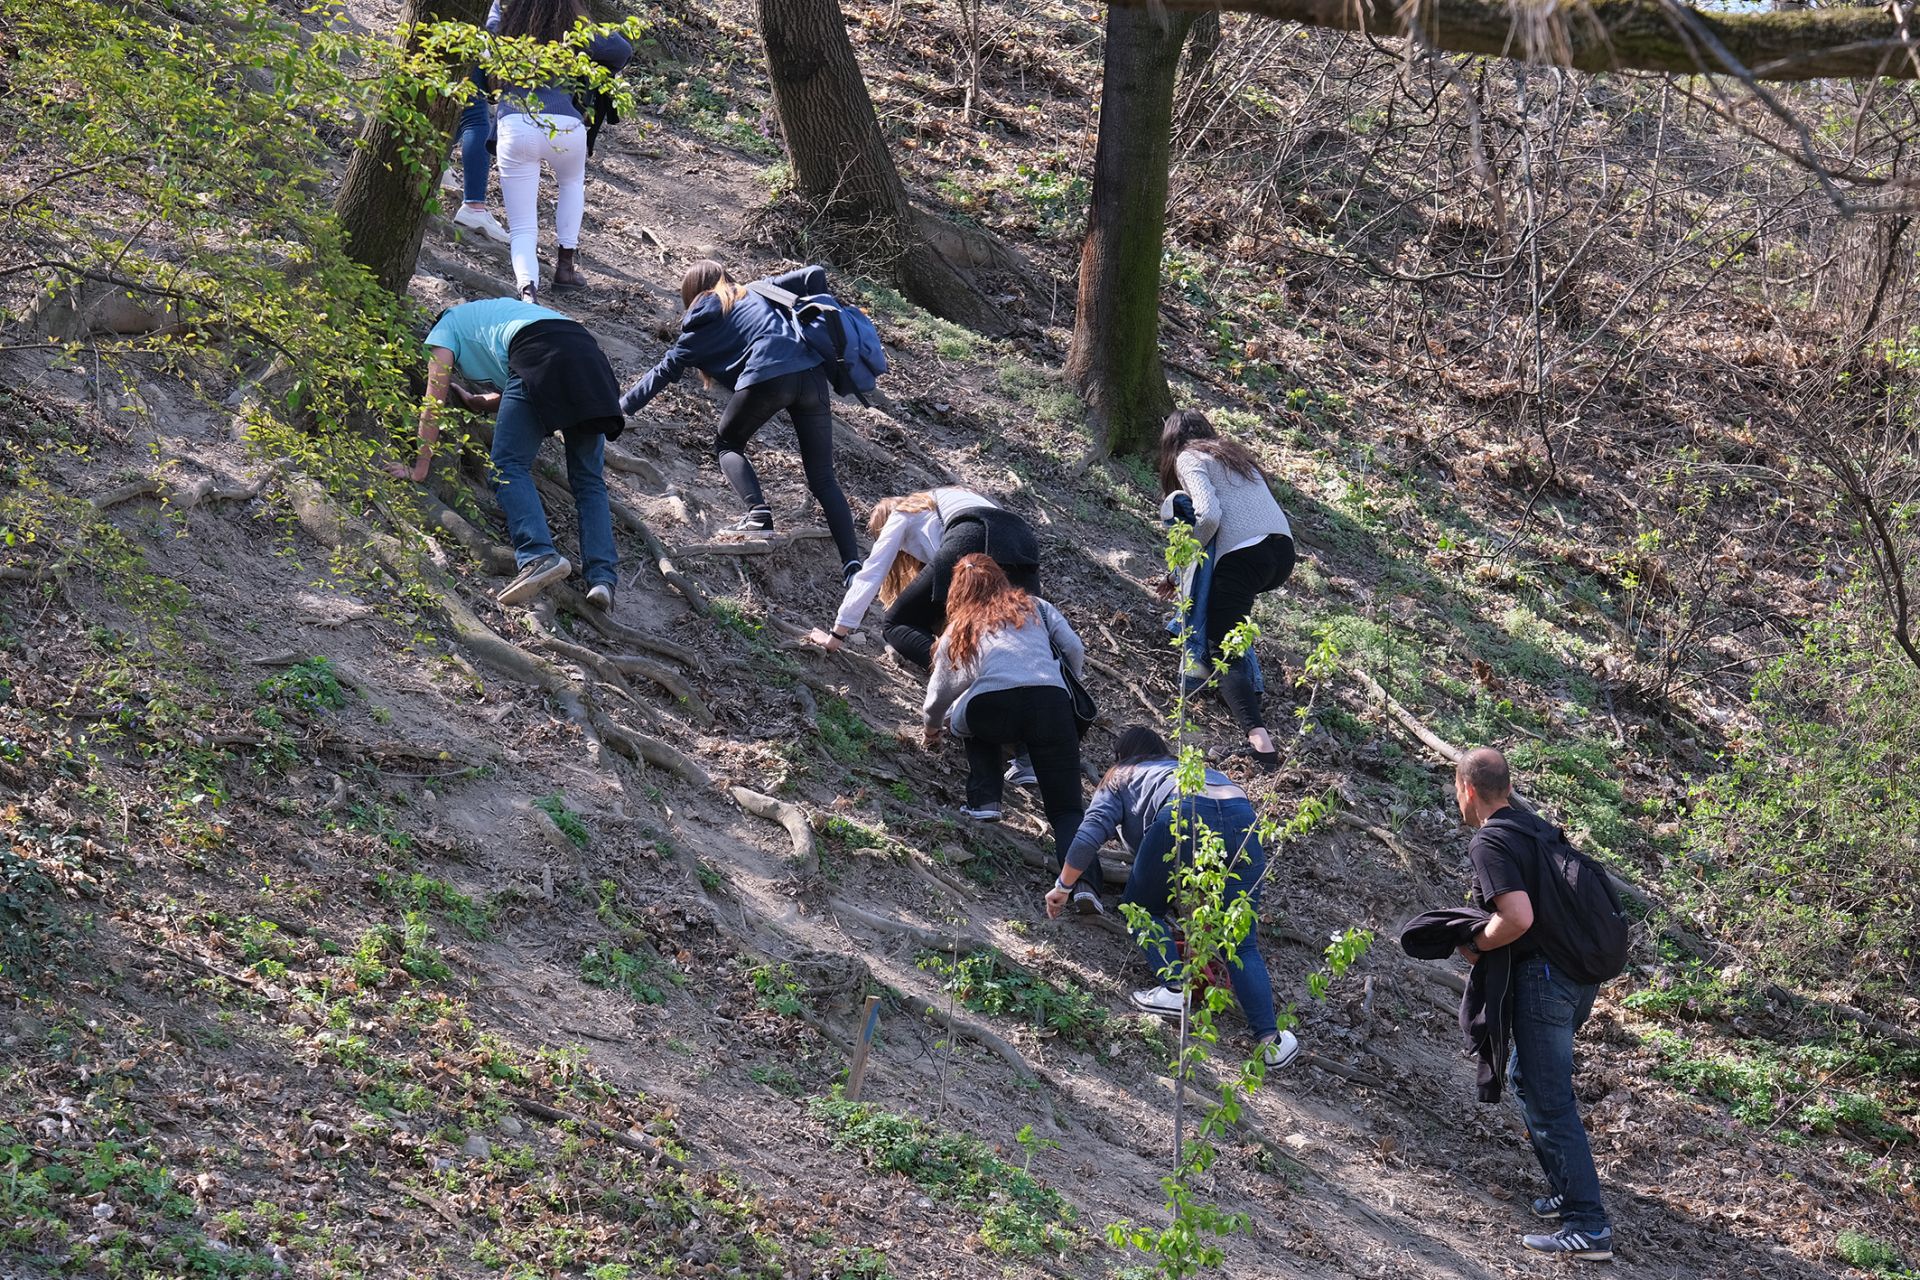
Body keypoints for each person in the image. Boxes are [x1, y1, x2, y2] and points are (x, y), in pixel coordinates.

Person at [1046, 726, 1300, 1071]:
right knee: (1241, 942)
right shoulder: (1192, 769)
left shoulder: (1122, 774)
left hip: (1183, 810)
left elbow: (1089, 833)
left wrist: (1063, 886)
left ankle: (1175, 989)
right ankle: (1272, 1042)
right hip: (1243, 816)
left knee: (1139, 908)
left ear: (1122, 756)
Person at [1455, 746, 1614, 1262]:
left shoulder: (1490, 840)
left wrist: (1477, 942)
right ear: (1507, 786)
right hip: (1576, 979)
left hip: (1545, 980)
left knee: (1549, 1098)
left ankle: (1588, 1226)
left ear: (1468, 789)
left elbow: (1517, 918)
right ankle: (1567, 1194)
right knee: (1526, 1078)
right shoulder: (1536, 828)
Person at [620, 260, 862, 581]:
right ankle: (853, 567)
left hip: (768, 373)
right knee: (823, 478)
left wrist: (619, 411)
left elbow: (661, 373)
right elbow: (815, 273)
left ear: (691, 294)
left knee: (728, 443)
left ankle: (758, 516)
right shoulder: (758, 290)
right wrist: (817, 316)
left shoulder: (698, 327)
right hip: (812, 374)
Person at [388, 297, 622, 609]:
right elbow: (531, 381)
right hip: (589, 360)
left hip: (539, 356)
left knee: (506, 465)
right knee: (589, 482)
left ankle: (538, 554)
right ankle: (602, 579)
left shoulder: (444, 328)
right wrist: (481, 402)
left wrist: (421, 465)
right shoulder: (493, 315)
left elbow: (434, 402)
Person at [1157, 410, 1296, 772]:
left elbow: (1208, 515)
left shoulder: (1189, 456)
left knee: (1224, 647)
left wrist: (1184, 562)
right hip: (1281, 554)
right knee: (1232, 623)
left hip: (1244, 556)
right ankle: (1229, 681)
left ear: (1172, 441)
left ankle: (1262, 746)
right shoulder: (1233, 455)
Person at [922, 556, 1085, 860]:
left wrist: (931, 729)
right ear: (1001, 578)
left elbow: (940, 692)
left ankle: (984, 800)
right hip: (1051, 702)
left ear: (957, 592)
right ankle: (1082, 881)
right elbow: (1074, 648)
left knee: (965, 713)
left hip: (994, 708)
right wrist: (1067, 684)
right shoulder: (1036, 606)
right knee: (1068, 812)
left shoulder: (961, 625)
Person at [488, 0, 632, 300]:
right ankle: (565, 268)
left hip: (515, 122)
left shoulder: (505, 14)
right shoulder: (572, 23)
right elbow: (621, 50)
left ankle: (528, 291)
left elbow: (487, 40)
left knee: (522, 225)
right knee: (571, 185)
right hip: (565, 124)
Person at [808, 487, 1042, 670]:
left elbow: (873, 570)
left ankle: (958, 676)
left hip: (971, 534)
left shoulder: (903, 512)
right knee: (1023, 626)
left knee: (896, 624)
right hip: (1022, 541)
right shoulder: (948, 496)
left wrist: (836, 635)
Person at [442, 68, 510, 244]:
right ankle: (474, 207)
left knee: (457, 109)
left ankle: (433, 166)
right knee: (475, 118)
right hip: (468, 53)